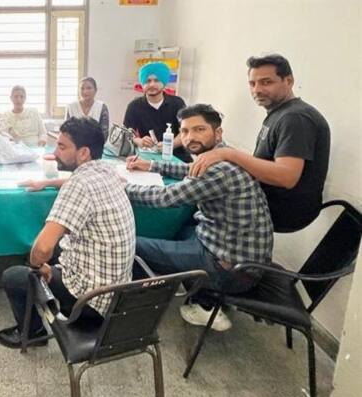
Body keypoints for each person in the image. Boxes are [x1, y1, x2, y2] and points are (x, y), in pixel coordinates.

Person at [125, 104, 273, 331]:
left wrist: (124, 187)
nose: (190, 137)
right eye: (184, 131)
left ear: (218, 132)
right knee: (177, 227)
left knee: (130, 244)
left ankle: (134, 313)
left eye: (199, 129)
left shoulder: (218, 169)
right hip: (234, 253)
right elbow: (190, 169)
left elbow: (165, 198)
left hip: (229, 271)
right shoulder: (219, 156)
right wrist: (151, 165)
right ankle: (200, 296)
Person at [0, 117, 135, 348]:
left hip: (90, 303)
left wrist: (38, 267)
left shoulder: (78, 186)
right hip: (117, 293)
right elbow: (79, 180)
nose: (55, 152)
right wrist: (47, 183)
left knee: (15, 273)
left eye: (62, 147)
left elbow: (42, 248)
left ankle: (32, 333)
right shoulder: (108, 171)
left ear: (83, 153)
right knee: (55, 251)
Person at [189, 55, 330, 232]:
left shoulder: (295, 118)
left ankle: (211, 256)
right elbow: (265, 161)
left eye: (266, 82)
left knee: (191, 202)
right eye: (252, 83)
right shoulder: (280, 113)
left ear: (289, 81)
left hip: (282, 212)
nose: (257, 90)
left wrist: (228, 154)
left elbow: (286, 177)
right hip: (263, 199)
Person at [123, 62, 190, 162]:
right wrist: (139, 141)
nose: (152, 84)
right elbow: (127, 133)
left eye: (156, 80)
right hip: (148, 158)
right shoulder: (134, 106)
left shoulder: (177, 103)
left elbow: (187, 132)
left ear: (164, 82)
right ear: (142, 84)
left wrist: (170, 145)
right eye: (148, 81)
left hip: (177, 157)